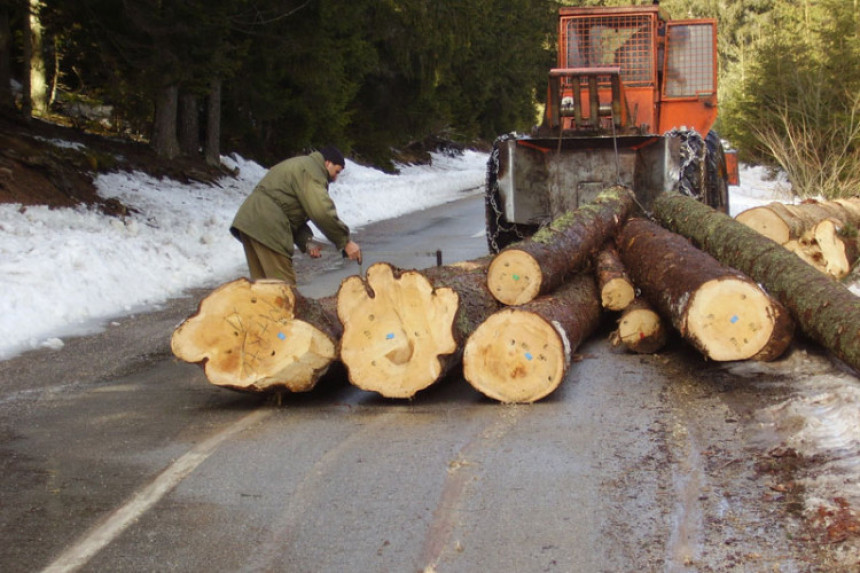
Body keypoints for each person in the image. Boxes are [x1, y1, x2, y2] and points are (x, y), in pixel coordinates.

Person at [230, 145, 361, 285]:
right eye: (337, 171)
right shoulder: (312, 171)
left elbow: (287, 211)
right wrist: (345, 241)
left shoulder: (302, 166)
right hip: (268, 225)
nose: (336, 177)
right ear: (327, 163)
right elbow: (321, 212)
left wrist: (307, 242)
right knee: (284, 289)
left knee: (263, 289)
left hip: (251, 222)